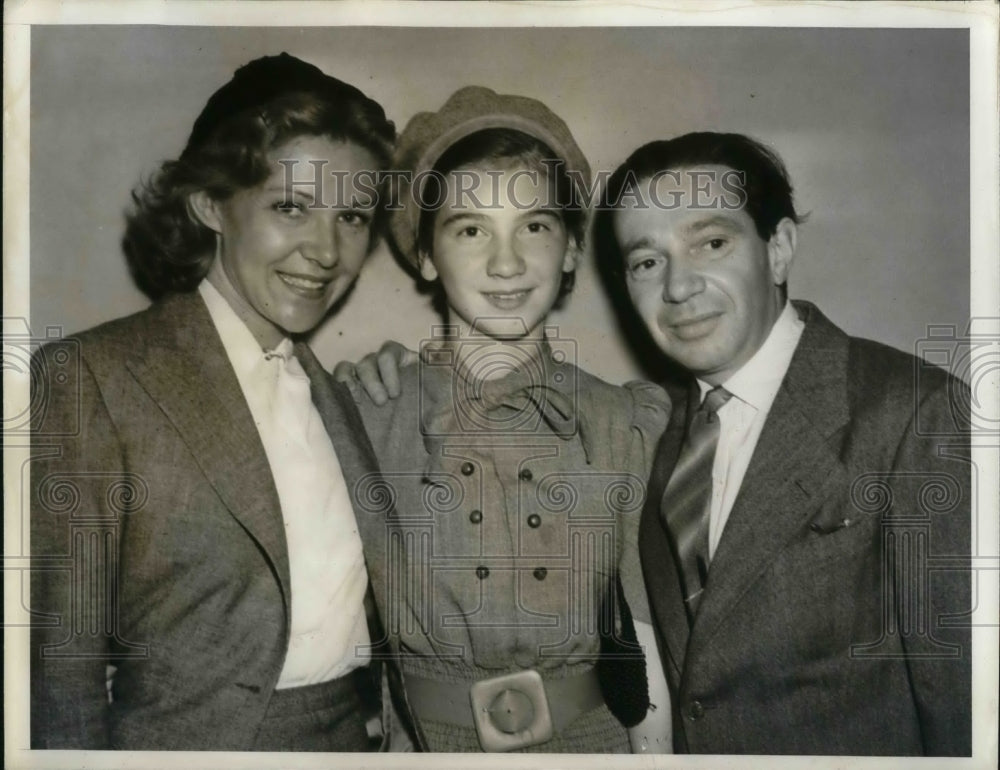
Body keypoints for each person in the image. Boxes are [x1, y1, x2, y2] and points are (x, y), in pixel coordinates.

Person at [29, 53, 409, 751]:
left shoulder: (338, 396)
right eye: (290, 206)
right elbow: (62, 669)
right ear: (210, 203)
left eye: (352, 216)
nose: (326, 250)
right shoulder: (94, 376)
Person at [591, 132, 971, 755]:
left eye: (711, 243)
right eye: (646, 262)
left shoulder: (915, 413)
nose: (679, 288)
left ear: (779, 248)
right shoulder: (653, 435)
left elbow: (967, 710)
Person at [334, 86, 672, 753]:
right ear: (426, 255)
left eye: (536, 226)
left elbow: (648, 634)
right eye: (470, 229)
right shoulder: (367, 419)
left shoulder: (621, 423)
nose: (507, 263)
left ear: (572, 247)